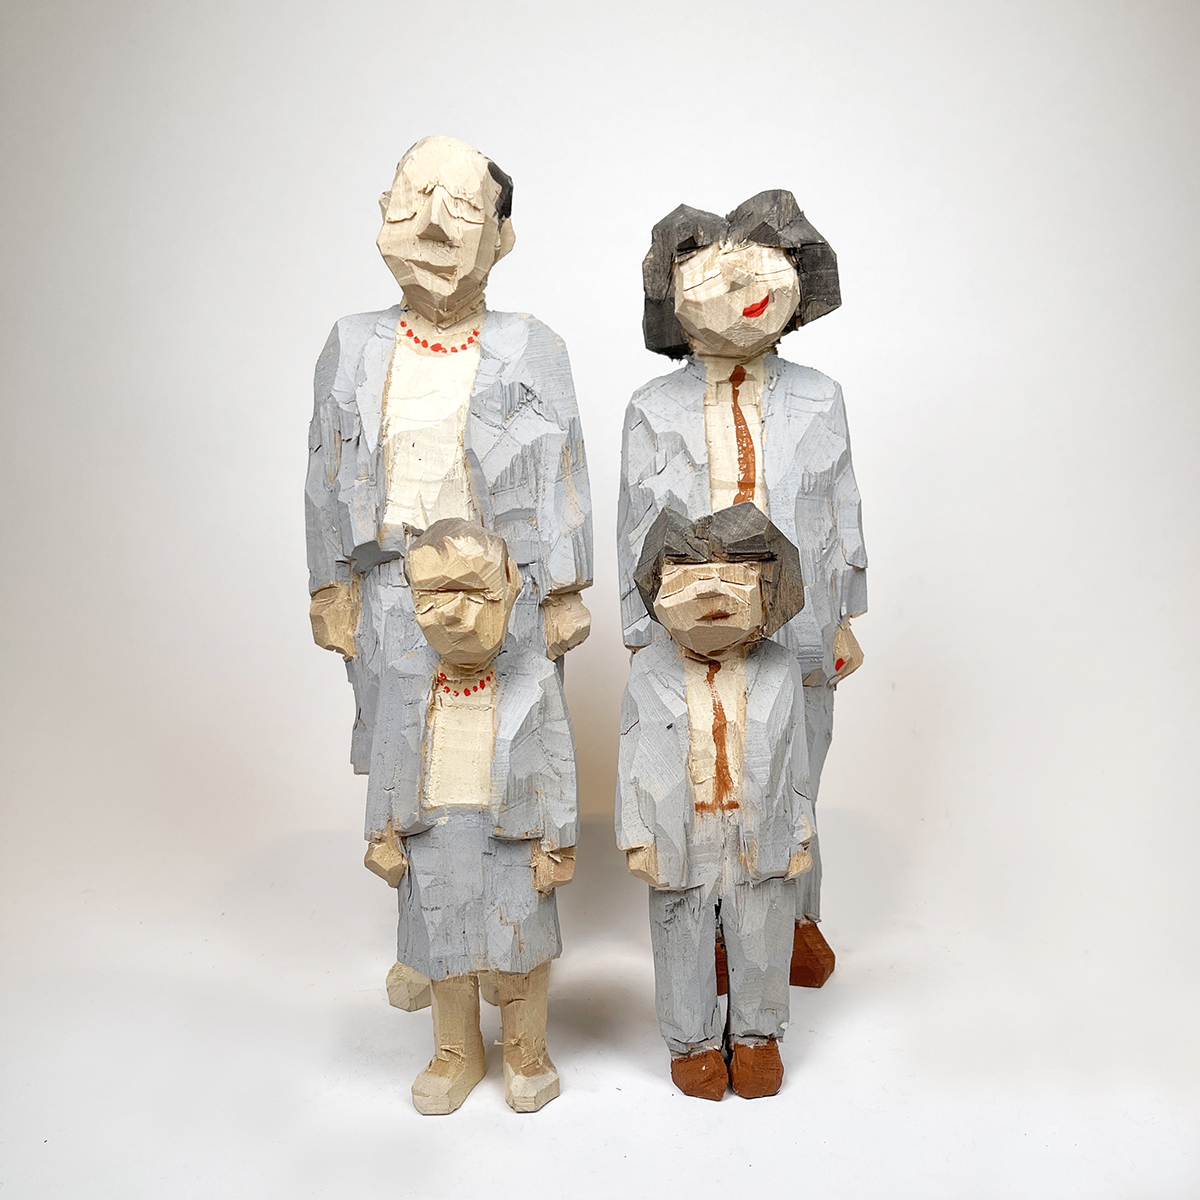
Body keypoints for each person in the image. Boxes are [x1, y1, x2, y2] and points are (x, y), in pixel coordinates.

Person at [305, 136, 593, 1004]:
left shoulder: (533, 346)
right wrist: (331, 584)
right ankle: (428, 944)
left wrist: (565, 588)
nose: (433, 224)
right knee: (409, 767)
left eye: (463, 207)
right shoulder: (351, 344)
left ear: (502, 239)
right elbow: (324, 472)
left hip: (504, 589)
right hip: (391, 586)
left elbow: (564, 472)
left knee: (503, 757)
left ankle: (510, 943)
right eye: (415, 198)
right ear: (383, 214)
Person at [617, 191, 866, 981]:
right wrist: (639, 630)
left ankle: (795, 916)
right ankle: (718, 926)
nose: (740, 290)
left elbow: (841, 506)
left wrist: (846, 614)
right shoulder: (652, 408)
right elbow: (634, 520)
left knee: (796, 769)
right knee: (706, 771)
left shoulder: (821, 397)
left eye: (761, 270)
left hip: (803, 618)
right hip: (693, 619)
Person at [366, 519, 578, 1114]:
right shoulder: (405, 678)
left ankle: (526, 1051)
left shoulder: (536, 675)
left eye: (474, 594)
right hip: (430, 837)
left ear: (510, 590)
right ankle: (455, 1051)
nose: (453, 616)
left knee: (521, 954)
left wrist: (559, 842)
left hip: (513, 837)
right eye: (433, 596)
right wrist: (381, 832)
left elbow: (558, 761)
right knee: (446, 955)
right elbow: (387, 758)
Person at [617, 504, 812, 1099]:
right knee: (680, 933)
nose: (709, 594)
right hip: (682, 833)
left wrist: (801, 828)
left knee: (763, 931)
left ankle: (757, 1037)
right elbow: (632, 756)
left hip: (761, 828)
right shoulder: (647, 671)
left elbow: (797, 759)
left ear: (769, 590)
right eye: (686, 579)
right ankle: (692, 1043)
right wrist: (637, 834)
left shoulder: (780, 669)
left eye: (733, 577)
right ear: (655, 592)